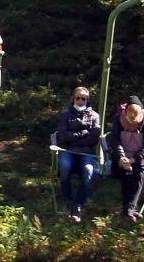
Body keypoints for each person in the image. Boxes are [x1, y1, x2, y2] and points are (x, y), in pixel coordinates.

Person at [55, 86, 100, 223]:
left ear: (87, 100)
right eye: (78, 98)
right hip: (68, 150)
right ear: (73, 98)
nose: (80, 101)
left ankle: (78, 205)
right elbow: (62, 136)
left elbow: (94, 137)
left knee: (88, 170)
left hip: (86, 152)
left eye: (83, 99)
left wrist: (74, 138)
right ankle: (68, 201)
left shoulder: (94, 116)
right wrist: (81, 134)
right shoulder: (65, 114)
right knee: (64, 167)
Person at [109, 96, 144, 222]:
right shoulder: (118, 119)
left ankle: (128, 211)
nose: (133, 115)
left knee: (139, 175)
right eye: (130, 111)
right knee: (126, 174)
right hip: (121, 158)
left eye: (135, 112)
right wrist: (122, 157)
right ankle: (130, 211)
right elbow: (114, 140)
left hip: (137, 157)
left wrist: (135, 159)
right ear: (126, 111)